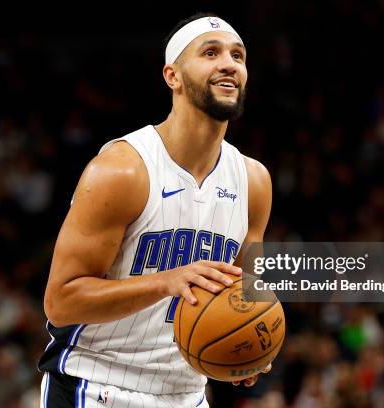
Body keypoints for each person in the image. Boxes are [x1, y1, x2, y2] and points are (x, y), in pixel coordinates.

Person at [38, 12, 273, 407]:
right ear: (172, 77)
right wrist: (165, 282)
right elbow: (61, 303)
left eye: (238, 55)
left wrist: (249, 344)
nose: (229, 63)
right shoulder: (122, 170)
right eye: (210, 52)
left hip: (187, 393)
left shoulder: (254, 181)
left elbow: (246, 293)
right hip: (95, 384)